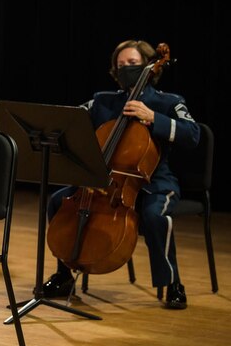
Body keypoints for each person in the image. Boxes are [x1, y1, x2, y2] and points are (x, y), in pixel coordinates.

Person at [42, 39, 200, 309]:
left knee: (155, 216)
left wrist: (153, 117)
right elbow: (71, 119)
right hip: (106, 184)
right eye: (121, 64)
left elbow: (193, 134)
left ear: (149, 67)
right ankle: (64, 274)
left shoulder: (168, 102)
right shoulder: (104, 101)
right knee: (58, 201)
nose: (126, 68)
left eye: (133, 64)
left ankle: (172, 282)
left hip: (154, 182)